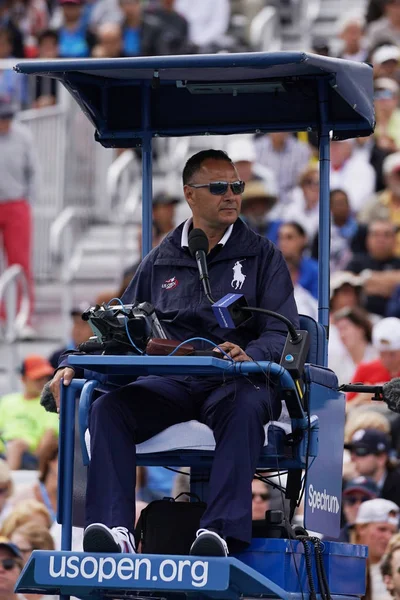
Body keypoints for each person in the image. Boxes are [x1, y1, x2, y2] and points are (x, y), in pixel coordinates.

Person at [49, 148, 299, 557]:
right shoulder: (161, 257)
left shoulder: (263, 255)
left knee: (247, 408)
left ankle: (218, 534)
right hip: (173, 382)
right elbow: (121, 328)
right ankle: (114, 533)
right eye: (218, 187)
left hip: (234, 382)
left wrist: (250, 352)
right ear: (190, 194)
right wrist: (72, 366)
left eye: (236, 186)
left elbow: (281, 329)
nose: (232, 195)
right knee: (109, 409)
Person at [0, 96, 39, 333]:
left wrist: (28, 203)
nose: (5, 123)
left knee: (20, 263)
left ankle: (22, 317)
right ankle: (3, 316)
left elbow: (34, 172)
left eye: (8, 118)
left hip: (16, 204)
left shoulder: (23, 136)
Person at [0, 355, 58, 470]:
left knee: (16, 446)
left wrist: (38, 462)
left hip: (32, 456)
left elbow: (49, 436)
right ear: (23, 379)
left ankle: (7, 482)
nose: (42, 382)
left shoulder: (49, 404)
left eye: (45, 378)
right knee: (14, 446)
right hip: (4, 452)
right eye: (37, 378)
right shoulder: (7, 401)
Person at [346, 220, 400, 316]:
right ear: (367, 239)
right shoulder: (356, 262)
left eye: (387, 235)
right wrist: (392, 282)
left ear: (395, 239)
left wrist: (366, 277)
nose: (381, 239)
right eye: (375, 235)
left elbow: (357, 283)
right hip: (363, 319)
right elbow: (346, 287)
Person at [354, 498, 399, 600]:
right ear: (361, 528)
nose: (388, 537)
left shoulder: (394, 567)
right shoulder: (341, 562)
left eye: (393, 532)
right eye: (382, 529)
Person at [255, 133, 311, 211]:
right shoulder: (256, 147)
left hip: (292, 202)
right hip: (264, 199)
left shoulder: (302, 149)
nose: (279, 132)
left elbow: (302, 181)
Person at [345, 429, 400, 505]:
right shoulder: (347, 483)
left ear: (381, 458)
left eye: (360, 451)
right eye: (351, 451)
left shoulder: (397, 485)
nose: (352, 457)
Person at [360, 153, 400, 255]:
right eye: (398, 175)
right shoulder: (373, 205)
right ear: (386, 178)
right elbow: (362, 236)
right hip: (380, 261)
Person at [329, 307, 377, 385]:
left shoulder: (378, 355)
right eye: (339, 330)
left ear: (361, 328)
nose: (342, 335)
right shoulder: (336, 361)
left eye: (345, 328)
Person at [330, 140, 376, 213]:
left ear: (349, 146)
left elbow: (358, 203)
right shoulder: (318, 167)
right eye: (331, 144)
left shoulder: (363, 168)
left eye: (337, 145)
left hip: (354, 219)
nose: (333, 149)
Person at [278, 222, 318, 299]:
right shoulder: (270, 270)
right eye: (280, 238)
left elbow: (317, 303)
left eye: (289, 237)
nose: (283, 243)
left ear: (303, 239)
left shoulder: (315, 270)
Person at [49, 304, 92, 369]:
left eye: (84, 324)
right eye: (75, 323)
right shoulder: (57, 356)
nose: (78, 329)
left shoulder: (102, 356)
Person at [283, 165, 319, 242]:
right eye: (309, 182)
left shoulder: (329, 209)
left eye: (318, 183)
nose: (314, 186)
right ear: (302, 186)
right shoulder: (291, 210)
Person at [239, 180, 281, 244]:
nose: (257, 209)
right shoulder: (239, 230)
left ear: (267, 206)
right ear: (246, 208)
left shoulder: (279, 228)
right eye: (253, 205)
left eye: (261, 204)